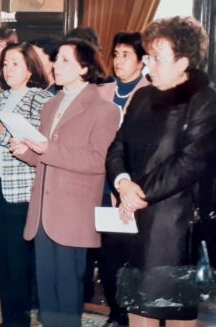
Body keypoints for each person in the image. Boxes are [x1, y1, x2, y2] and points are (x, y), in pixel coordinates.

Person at [107, 17, 216, 327]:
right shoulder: (143, 96)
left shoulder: (204, 100)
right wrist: (122, 183)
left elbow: (189, 162)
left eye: (157, 58)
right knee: (137, 310)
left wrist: (137, 193)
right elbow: (117, 146)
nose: (148, 64)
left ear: (182, 62)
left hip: (173, 227)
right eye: (148, 56)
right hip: (131, 219)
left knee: (174, 313)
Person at [11, 38, 120, 327]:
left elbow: (98, 161)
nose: (55, 65)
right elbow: (43, 156)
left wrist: (47, 149)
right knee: (46, 287)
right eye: (56, 58)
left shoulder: (104, 109)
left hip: (72, 213)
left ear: (84, 67)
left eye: (64, 60)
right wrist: (26, 152)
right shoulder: (51, 105)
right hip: (43, 212)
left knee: (68, 287)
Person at [0, 43, 52, 327]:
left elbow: (35, 141)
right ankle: (8, 317)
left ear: (30, 68)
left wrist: (0, 133)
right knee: (1, 256)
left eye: (15, 64)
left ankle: (19, 320)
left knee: (18, 258)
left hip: (21, 189)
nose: (8, 69)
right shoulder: (0, 98)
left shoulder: (40, 99)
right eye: (5, 64)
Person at [97, 31, 149, 327]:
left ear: (142, 61)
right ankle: (115, 313)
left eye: (126, 55)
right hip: (100, 183)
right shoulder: (101, 91)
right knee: (107, 256)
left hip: (131, 187)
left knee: (128, 255)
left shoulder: (150, 94)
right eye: (116, 54)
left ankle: (130, 315)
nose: (118, 61)